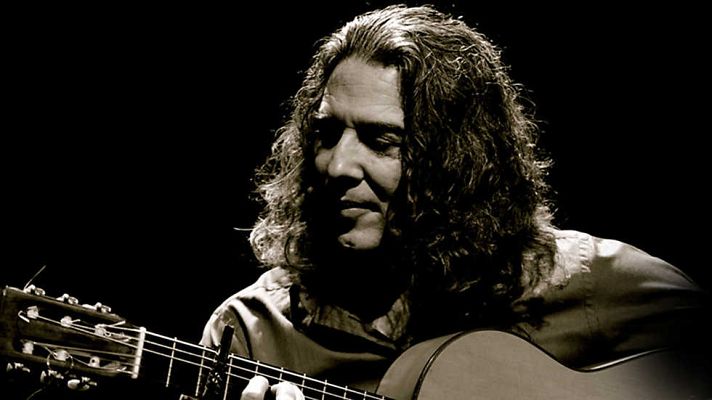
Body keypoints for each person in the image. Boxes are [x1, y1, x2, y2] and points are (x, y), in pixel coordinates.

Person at [201, 4, 708, 399]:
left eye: (381, 141)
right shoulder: (251, 335)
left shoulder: (583, 286)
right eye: (327, 134)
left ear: (458, 161)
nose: (337, 166)